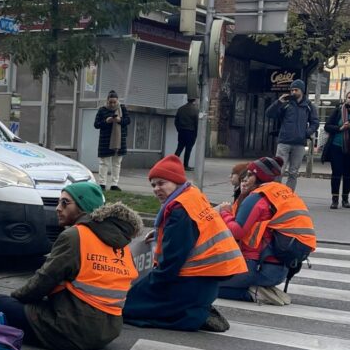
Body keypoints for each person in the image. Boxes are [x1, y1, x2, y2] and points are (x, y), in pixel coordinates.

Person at [0, 180, 142, 350]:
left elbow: (43, 281)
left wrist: (15, 299)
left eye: (65, 202)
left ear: (83, 206)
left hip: (71, 331)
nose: (58, 208)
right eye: (58, 202)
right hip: (107, 332)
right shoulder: (122, 245)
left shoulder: (75, 236)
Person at [122, 155, 246, 332]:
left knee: (125, 308)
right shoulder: (192, 195)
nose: (157, 189)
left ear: (176, 182)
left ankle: (195, 315)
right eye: (153, 185)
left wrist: (146, 286)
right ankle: (195, 309)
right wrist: (160, 234)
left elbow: (170, 265)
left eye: (161, 183)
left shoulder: (180, 210)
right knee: (141, 302)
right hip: (204, 284)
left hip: (190, 283)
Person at [217, 156, 315, 305]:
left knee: (207, 287)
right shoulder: (283, 192)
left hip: (256, 267)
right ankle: (259, 289)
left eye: (250, 174)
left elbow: (238, 231)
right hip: (281, 268)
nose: (245, 178)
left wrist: (225, 213)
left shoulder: (257, 198)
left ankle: (256, 293)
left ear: (259, 176)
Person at [265, 79, 319, 191]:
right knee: (279, 169)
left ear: (302, 91)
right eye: (292, 90)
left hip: (299, 143)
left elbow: (315, 122)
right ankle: (275, 193)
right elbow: (269, 114)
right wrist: (278, 102)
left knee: (293, 172)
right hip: (284, 141)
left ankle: (288, 195)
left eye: (296, 90)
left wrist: (306, 133)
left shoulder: (308, 106)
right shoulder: (286, 104)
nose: (293, 92)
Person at [323, 90, 350, 209]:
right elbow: (327, 126)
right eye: (349, 97)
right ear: (346, 99)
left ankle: (345, 199)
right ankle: (334, 199)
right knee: (336, 173)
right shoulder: (338, 110)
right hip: (337, 146)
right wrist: (341, 127)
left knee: (348, 174)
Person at [94, 90, 130, 191]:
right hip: (105, 140)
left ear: (117, 100)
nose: (113, 104)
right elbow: (96, 124)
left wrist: (120, 120)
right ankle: (102, 184)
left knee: (117, 163)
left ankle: (114, 184)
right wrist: (106, 121)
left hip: (119, 140)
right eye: (110, 102)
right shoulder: (102, 110)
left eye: (114, 102)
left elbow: (128, 121)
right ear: (107, 101)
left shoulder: (122, 108)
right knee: (103, 163)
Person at [174, 97, 199, 170]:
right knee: (188, 150)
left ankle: (172, 164)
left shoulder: (180, 109)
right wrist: (196, 134)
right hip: (191, 132)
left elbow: (176, 121)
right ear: (194, 100)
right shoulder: (195, 110)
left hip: (181, 131)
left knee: (179, 148)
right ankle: (185, 165)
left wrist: (179, 130)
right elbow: (196, 123)